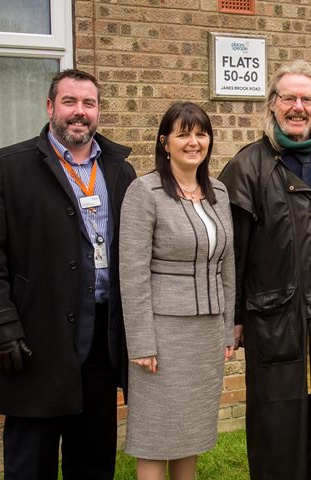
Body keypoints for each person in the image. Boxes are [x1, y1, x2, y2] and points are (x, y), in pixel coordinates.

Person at [0, 69, 136, 479]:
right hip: (33, 343)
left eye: (89, 104)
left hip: (100, 344)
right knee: (31, 463)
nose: (80, 112)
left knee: (92, 459)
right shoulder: (4, 168)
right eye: (70, 102)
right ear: (50, 107)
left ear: (98, 112)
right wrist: (0, 328)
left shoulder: (119, 171)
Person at [218, 59, 311, 480]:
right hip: (272, 322)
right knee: (274, 425)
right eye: (289, 98)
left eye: (307, 99)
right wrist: (236, 317)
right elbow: (234, 252)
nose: (298, 107)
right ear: (273, 105)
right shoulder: (248, 167)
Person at [119, 102, 235, 480]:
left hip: (206, 335)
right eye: (183, 133)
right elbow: (132, 271)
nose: (193, 142)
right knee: (156, 435)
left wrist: (227, 327)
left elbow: (227, 265)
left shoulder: (217, 190)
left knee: (191, 434)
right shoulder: (144, 191)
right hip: (163, 336)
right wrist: (141, 343)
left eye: (201, 133)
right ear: (164, 142)